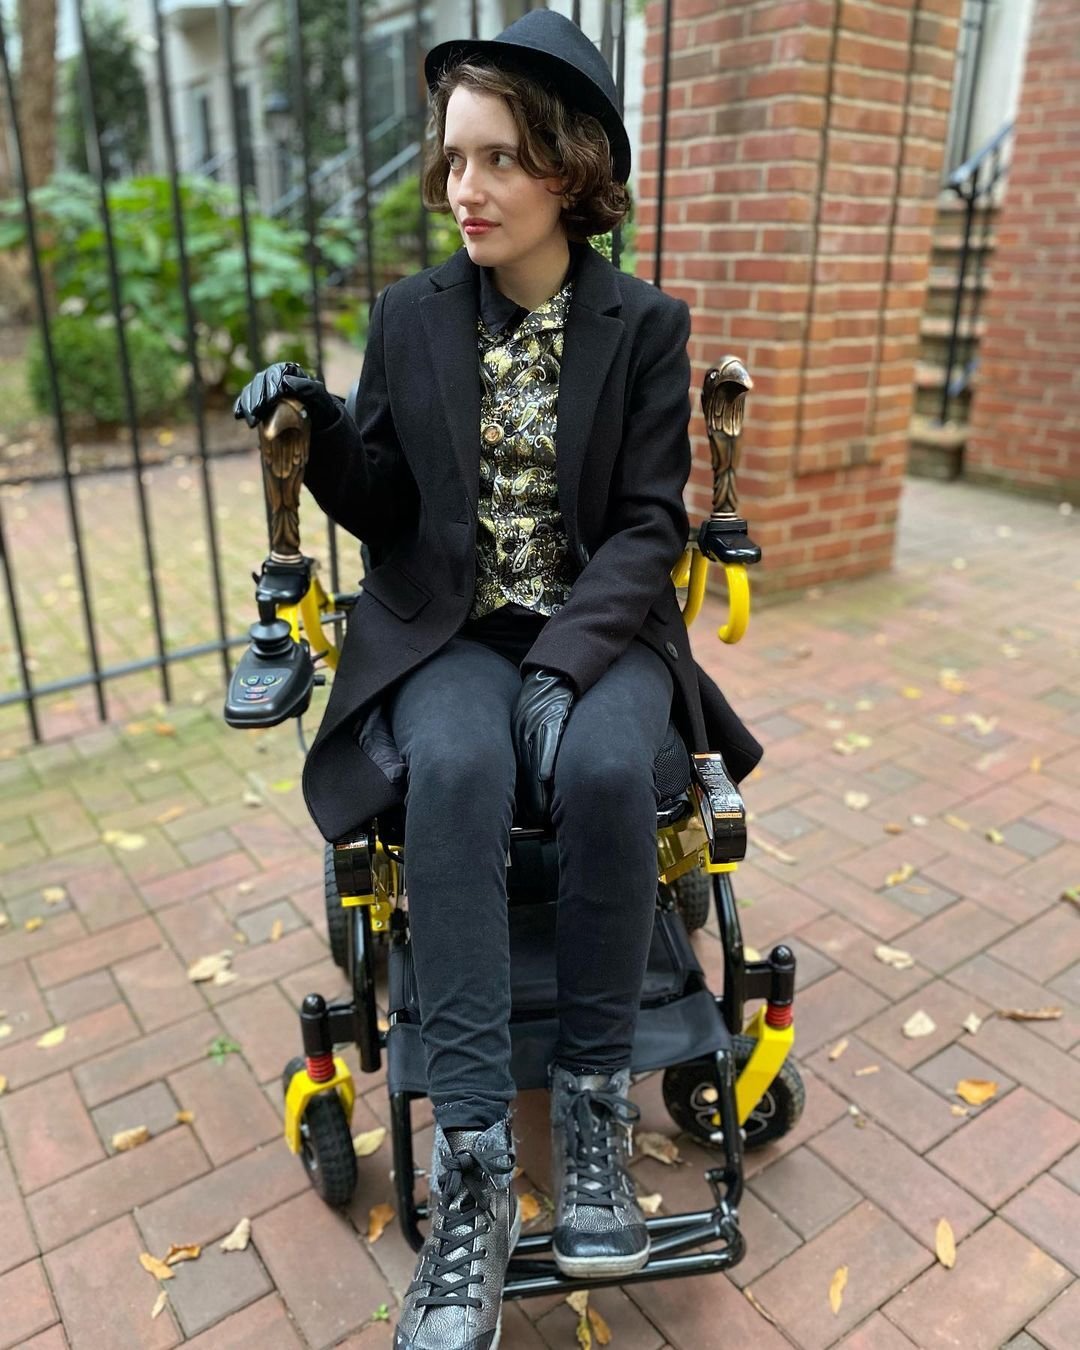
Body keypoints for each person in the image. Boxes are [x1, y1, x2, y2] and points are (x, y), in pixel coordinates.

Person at [236, 10, 761, 1348]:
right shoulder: (413, 318)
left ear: (570, 172)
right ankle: (472, 1166)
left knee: (599, 766)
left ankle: (590, 1114)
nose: (463, 188)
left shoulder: (645, 325)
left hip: (599, 625)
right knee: (457, 769)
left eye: (498, 160)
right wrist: (319, 427)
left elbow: (649, 523)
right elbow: (391, 505)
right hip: (446, 632)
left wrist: (572, 659)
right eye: (452, 159)